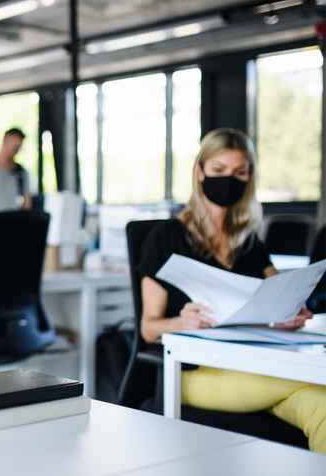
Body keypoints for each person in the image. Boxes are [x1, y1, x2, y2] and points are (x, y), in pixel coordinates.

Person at [139, 128, 325, 453]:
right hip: (193, 374)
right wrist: (182, 322)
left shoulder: (250, 242)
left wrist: (290, 311)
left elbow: (278, 292)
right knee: (309, 380)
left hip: (251, 364)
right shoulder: (166, 237)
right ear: (199, 172)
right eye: (219, 170)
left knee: (322, 408)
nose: (229, 180)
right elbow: (148, 328)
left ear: (249, 177)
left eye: (239, 172)